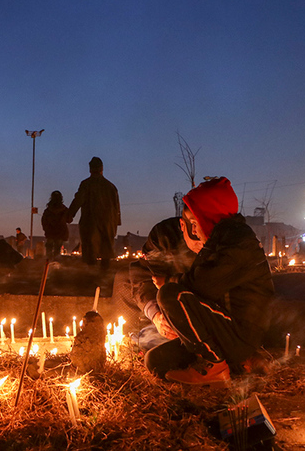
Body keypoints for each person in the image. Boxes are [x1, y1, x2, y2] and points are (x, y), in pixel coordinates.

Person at [145, 177, 275, 385]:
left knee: (169, 294)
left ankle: (216, 366)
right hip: (223, 333)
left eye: (196, 223)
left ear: (209, 217)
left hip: (240, 334)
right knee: (155, 360)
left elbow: (201, 286)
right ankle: (234, 363)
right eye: (191, 225)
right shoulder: (220, 239)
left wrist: (167, 281)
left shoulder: (238, 242)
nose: (194, 230)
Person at [113, 217, 196, 351]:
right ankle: (132, 337)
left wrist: (170, 282)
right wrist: (156, 316)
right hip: (164, 305)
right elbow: (143, 275)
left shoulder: (212, 246)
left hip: (200, 310)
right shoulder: (160, 238)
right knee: (124, 278)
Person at [67, 157, 121, 269]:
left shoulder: (86, 184)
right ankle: (104, 276)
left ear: (90, 169)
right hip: (108, 223)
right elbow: (117, 208)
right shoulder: (111, 186)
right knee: (106, 251)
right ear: (102, 169)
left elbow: (78, 200)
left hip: (91, 222)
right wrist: (115, 223)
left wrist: (69, 215)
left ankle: (91, 277)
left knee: (90, 250)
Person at [41, 191, 71, 260]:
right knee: (57, 248)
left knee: (49, 248)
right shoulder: (64, 210)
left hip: (50, 232)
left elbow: (44, 221)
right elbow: (69, 220)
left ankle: (47, 264)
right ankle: (56, 264)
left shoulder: (48, 210)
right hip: (61, 232)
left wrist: (46, 229)